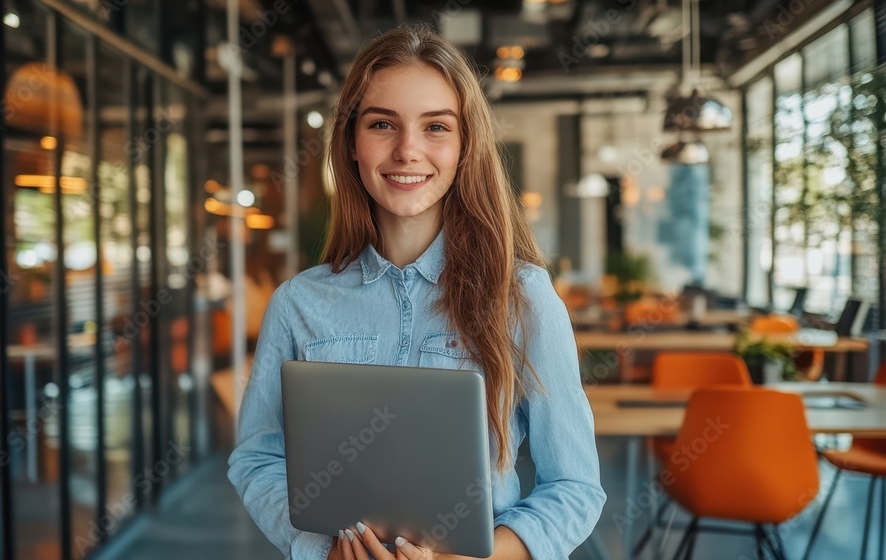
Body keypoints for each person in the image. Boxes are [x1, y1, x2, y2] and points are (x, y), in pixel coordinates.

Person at [227, 24, 605, 560]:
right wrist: (320, 550)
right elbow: (257, 459)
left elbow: (575, 487)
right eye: (383, 124)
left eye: (436, 127)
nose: (408, 150)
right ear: (351, 143)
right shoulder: (298, 303)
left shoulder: (522, 297)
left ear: (464, 147)